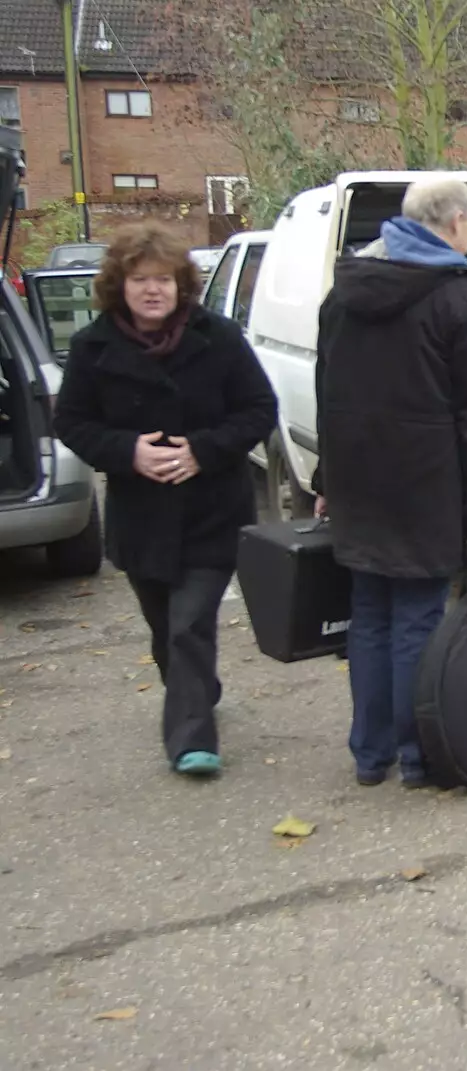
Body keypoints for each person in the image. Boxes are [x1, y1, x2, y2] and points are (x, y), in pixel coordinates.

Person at [53, 221, 278, 778]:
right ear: (119, 286)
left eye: (163, 280)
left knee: (188, 624)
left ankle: (192, 741)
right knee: (165, 631)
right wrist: (128, 451)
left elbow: (257, 408)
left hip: (212, 511)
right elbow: (72, 422)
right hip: (141, 517)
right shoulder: (92, 347)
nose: (153, 290)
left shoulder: (220, 338)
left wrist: (202, 450)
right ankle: (198, 690)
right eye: (140, 280)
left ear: (181, 285)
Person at [311, 176, 467, 789]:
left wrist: (325, 478)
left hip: (359, 481)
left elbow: (327, 394)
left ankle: (370, 754)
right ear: (452, 223)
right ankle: (418, 754)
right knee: (417, 619)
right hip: (425, 483)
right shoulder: (460, 297)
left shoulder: (343, 293)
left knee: (369, 616)